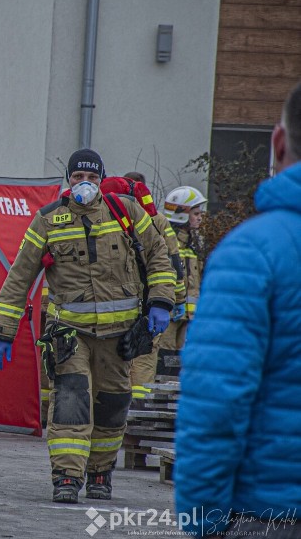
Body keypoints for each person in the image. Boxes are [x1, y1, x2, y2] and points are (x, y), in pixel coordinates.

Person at [0, 149, 176, 504]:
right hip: (70, 336)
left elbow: (157, 254)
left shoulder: (125, 211)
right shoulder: (48, 221)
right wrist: (3, 331)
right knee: (70, 405)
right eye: (78, 178)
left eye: (91, 178)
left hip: (119, 338)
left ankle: (100, 473)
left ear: (101, 179)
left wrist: (161, 301)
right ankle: (67, 478)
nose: (84, 185)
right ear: (68, 181)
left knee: (112, 407)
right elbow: (19, 278)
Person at [175, 83, 301, 537]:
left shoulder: (252, 252)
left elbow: (216, 403)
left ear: (279, 142)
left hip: (272, 511)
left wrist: (203, 520)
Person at [99, 176, 186, 400]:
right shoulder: (156, 221)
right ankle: (135, 417)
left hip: (117, 305)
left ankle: (122, 417)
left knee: (115, 364)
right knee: (142, 361)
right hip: (148, 302)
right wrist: (177, 299)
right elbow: (172, 263)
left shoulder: (102, 217)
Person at [156, 185, 206, 378]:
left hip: (188, 318)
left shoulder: (193, 246)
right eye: (195, 213)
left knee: (180, 364)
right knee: (164, 361)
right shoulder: (167, 244)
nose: (200, 217)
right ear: (181, 214)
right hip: (168, 316)